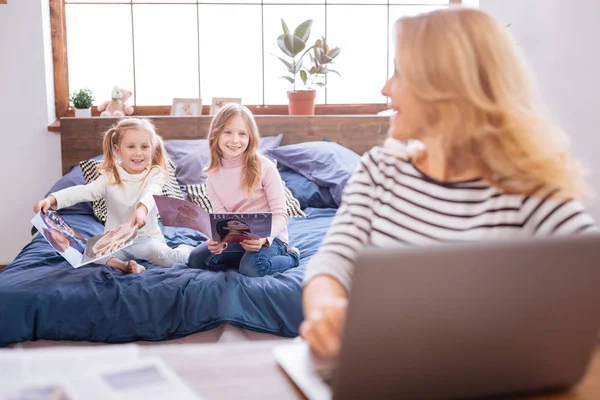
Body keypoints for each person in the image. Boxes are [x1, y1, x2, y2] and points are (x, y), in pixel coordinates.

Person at [300, 7, 598, 359]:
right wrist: (325, 306)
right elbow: (333, 259)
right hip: (386, 367)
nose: (385, 88)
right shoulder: (380, 170)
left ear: (448, 85)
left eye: (400, 73)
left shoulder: (526, 189)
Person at [33, 118, 193, 274]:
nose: (138, 153)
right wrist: (52, 199)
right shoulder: (110, 176)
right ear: (118, 150)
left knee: (166, 258)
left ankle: (185, 250)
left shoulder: (155, 174)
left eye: (145, 147)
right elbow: (84, 191)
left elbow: (152, 192)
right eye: (131, 146)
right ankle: (125, 266)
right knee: (88, 255)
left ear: (152, 148)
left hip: (146, 238)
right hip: (115, 242)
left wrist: (141, 209)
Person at [187, 103, 300, 277]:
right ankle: (242, 258)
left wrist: (264, 239)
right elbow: (223, 220)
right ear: (215, 135)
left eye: (242, 134)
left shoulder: (265, 167)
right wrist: (219, 242)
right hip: (237, 239)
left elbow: (281, 215)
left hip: (271, 238)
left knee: (252, 268)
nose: (235, 140)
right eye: (227, 132)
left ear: (250, 138)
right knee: (195, 259)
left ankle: (292, 257)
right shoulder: (212, 176)